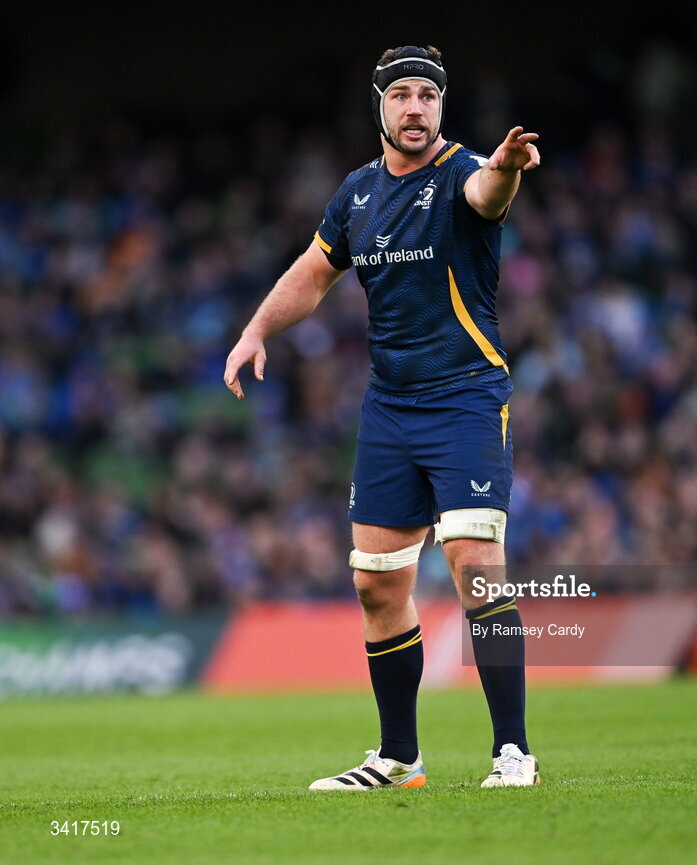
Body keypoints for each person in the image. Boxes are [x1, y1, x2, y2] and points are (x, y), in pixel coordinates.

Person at [224, 45, 541, 789]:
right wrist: (255, 331)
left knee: (473, 564)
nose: (415, 108)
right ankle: (400, 756)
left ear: (440, 107)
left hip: (465, 395)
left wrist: (507, 168)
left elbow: (488, 198)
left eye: (427, 97)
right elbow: (313, 272)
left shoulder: (463, 169)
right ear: (380, 107)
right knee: (377, 584)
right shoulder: (357, 193)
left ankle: (513, 751)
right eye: (400, 95)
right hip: (390, 407)